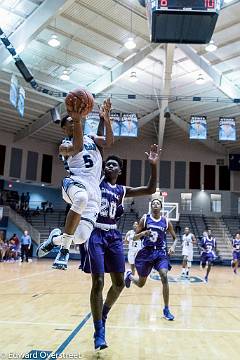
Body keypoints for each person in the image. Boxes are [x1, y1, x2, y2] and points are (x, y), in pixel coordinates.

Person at [83, 144, 159, 350]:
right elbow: (97, 153)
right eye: (107, 164)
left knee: (118, 284)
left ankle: (104, 313)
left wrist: (153, 165)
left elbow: (151, 190)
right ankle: (99, 332)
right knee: (98, 282)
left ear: (120, 171)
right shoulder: (96, 183)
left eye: (114, 165)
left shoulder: (122, 190)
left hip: (113, 235)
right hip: (95, 233)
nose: (109, 166)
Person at [37, 98, 113, 269]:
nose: (73, 123)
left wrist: (106, 119)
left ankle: (55, 239)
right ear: (64, 129)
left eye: (75, 120)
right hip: (75, 183)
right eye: (70, 121)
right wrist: (78, 119)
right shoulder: (64, 146)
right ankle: (64, 251)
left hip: (95, 191)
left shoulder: (92, 138)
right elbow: (77, 148)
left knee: (80, 237)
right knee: (80, 198)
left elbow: (108, 142)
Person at [125, 199, 177, 321]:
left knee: (164, 275)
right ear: (151, 206)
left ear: (161, 207)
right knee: (141, 284)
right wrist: (143, 233)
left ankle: (166, 309)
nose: (155, 205)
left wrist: (173, 247)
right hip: (146, 253)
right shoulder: (145, 219)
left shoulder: (166, 221)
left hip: (160, 252)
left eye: (157, 203)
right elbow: (134, 238)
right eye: (153, 203)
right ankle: (129, 276)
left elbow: (175, 238)